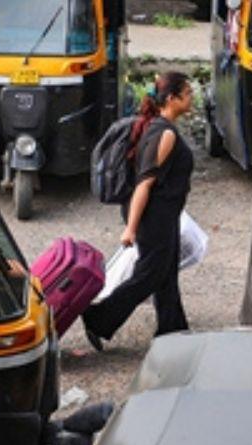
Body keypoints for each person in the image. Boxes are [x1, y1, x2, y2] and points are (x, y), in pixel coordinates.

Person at [82, 72, 195, 350]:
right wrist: (131, 228)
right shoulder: (164, 133)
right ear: (172, 99)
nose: (192, 97)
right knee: (150, 274)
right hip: (152, 217)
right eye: (188, 93)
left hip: (163, 216)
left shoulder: (159, 126)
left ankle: (173, 329)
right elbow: (144, 184)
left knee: (166, 272)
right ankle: (98, 317)